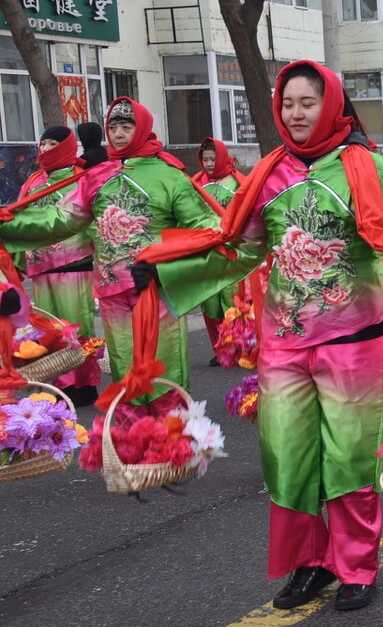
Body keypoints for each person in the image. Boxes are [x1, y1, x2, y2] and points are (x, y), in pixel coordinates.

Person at [139, 61, 383, 612]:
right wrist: (162, 265)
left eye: (307, 103)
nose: (296, 114)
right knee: (286, 456)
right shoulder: (267, 172)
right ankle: (310, 565)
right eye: (289, 104)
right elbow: (239, 244)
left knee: (347, 456)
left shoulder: (366, 167)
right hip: (283, 340)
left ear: (330, 106)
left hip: (353, 336)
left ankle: (356, 566)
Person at [0, 98, 220, 418]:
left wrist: (168, 267)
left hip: (156, 288)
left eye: (126, 126)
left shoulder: (170, 175)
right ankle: (133, 442)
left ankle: (171, 442)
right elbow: (60, 220)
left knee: (164, 367)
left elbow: (207, 229)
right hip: (112, 291)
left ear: (142, 128)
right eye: (113, 127)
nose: (118, 133)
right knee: (124, 367)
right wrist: (6, 225)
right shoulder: (97, 176)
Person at [11, 127, 101, 406]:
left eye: (53, 143)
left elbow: (95, 218)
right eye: (43, 143)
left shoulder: (82, 178)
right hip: (41, 266)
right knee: (49, 327)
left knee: (76, 324)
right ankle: (60, 383)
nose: (46, 148)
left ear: (68, 146)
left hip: (74, 263)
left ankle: (84, 384)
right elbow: (20, 217)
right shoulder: (34, 180)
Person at [192, 138, 246, 365]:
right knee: (210, 302)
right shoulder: (195, 183)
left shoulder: (238, 182)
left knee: (232, 300)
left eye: (214, 159)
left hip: (232, 251)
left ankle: (240, 347)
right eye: (205, 159)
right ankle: (220, 348)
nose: (210, 163)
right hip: (206, 251)